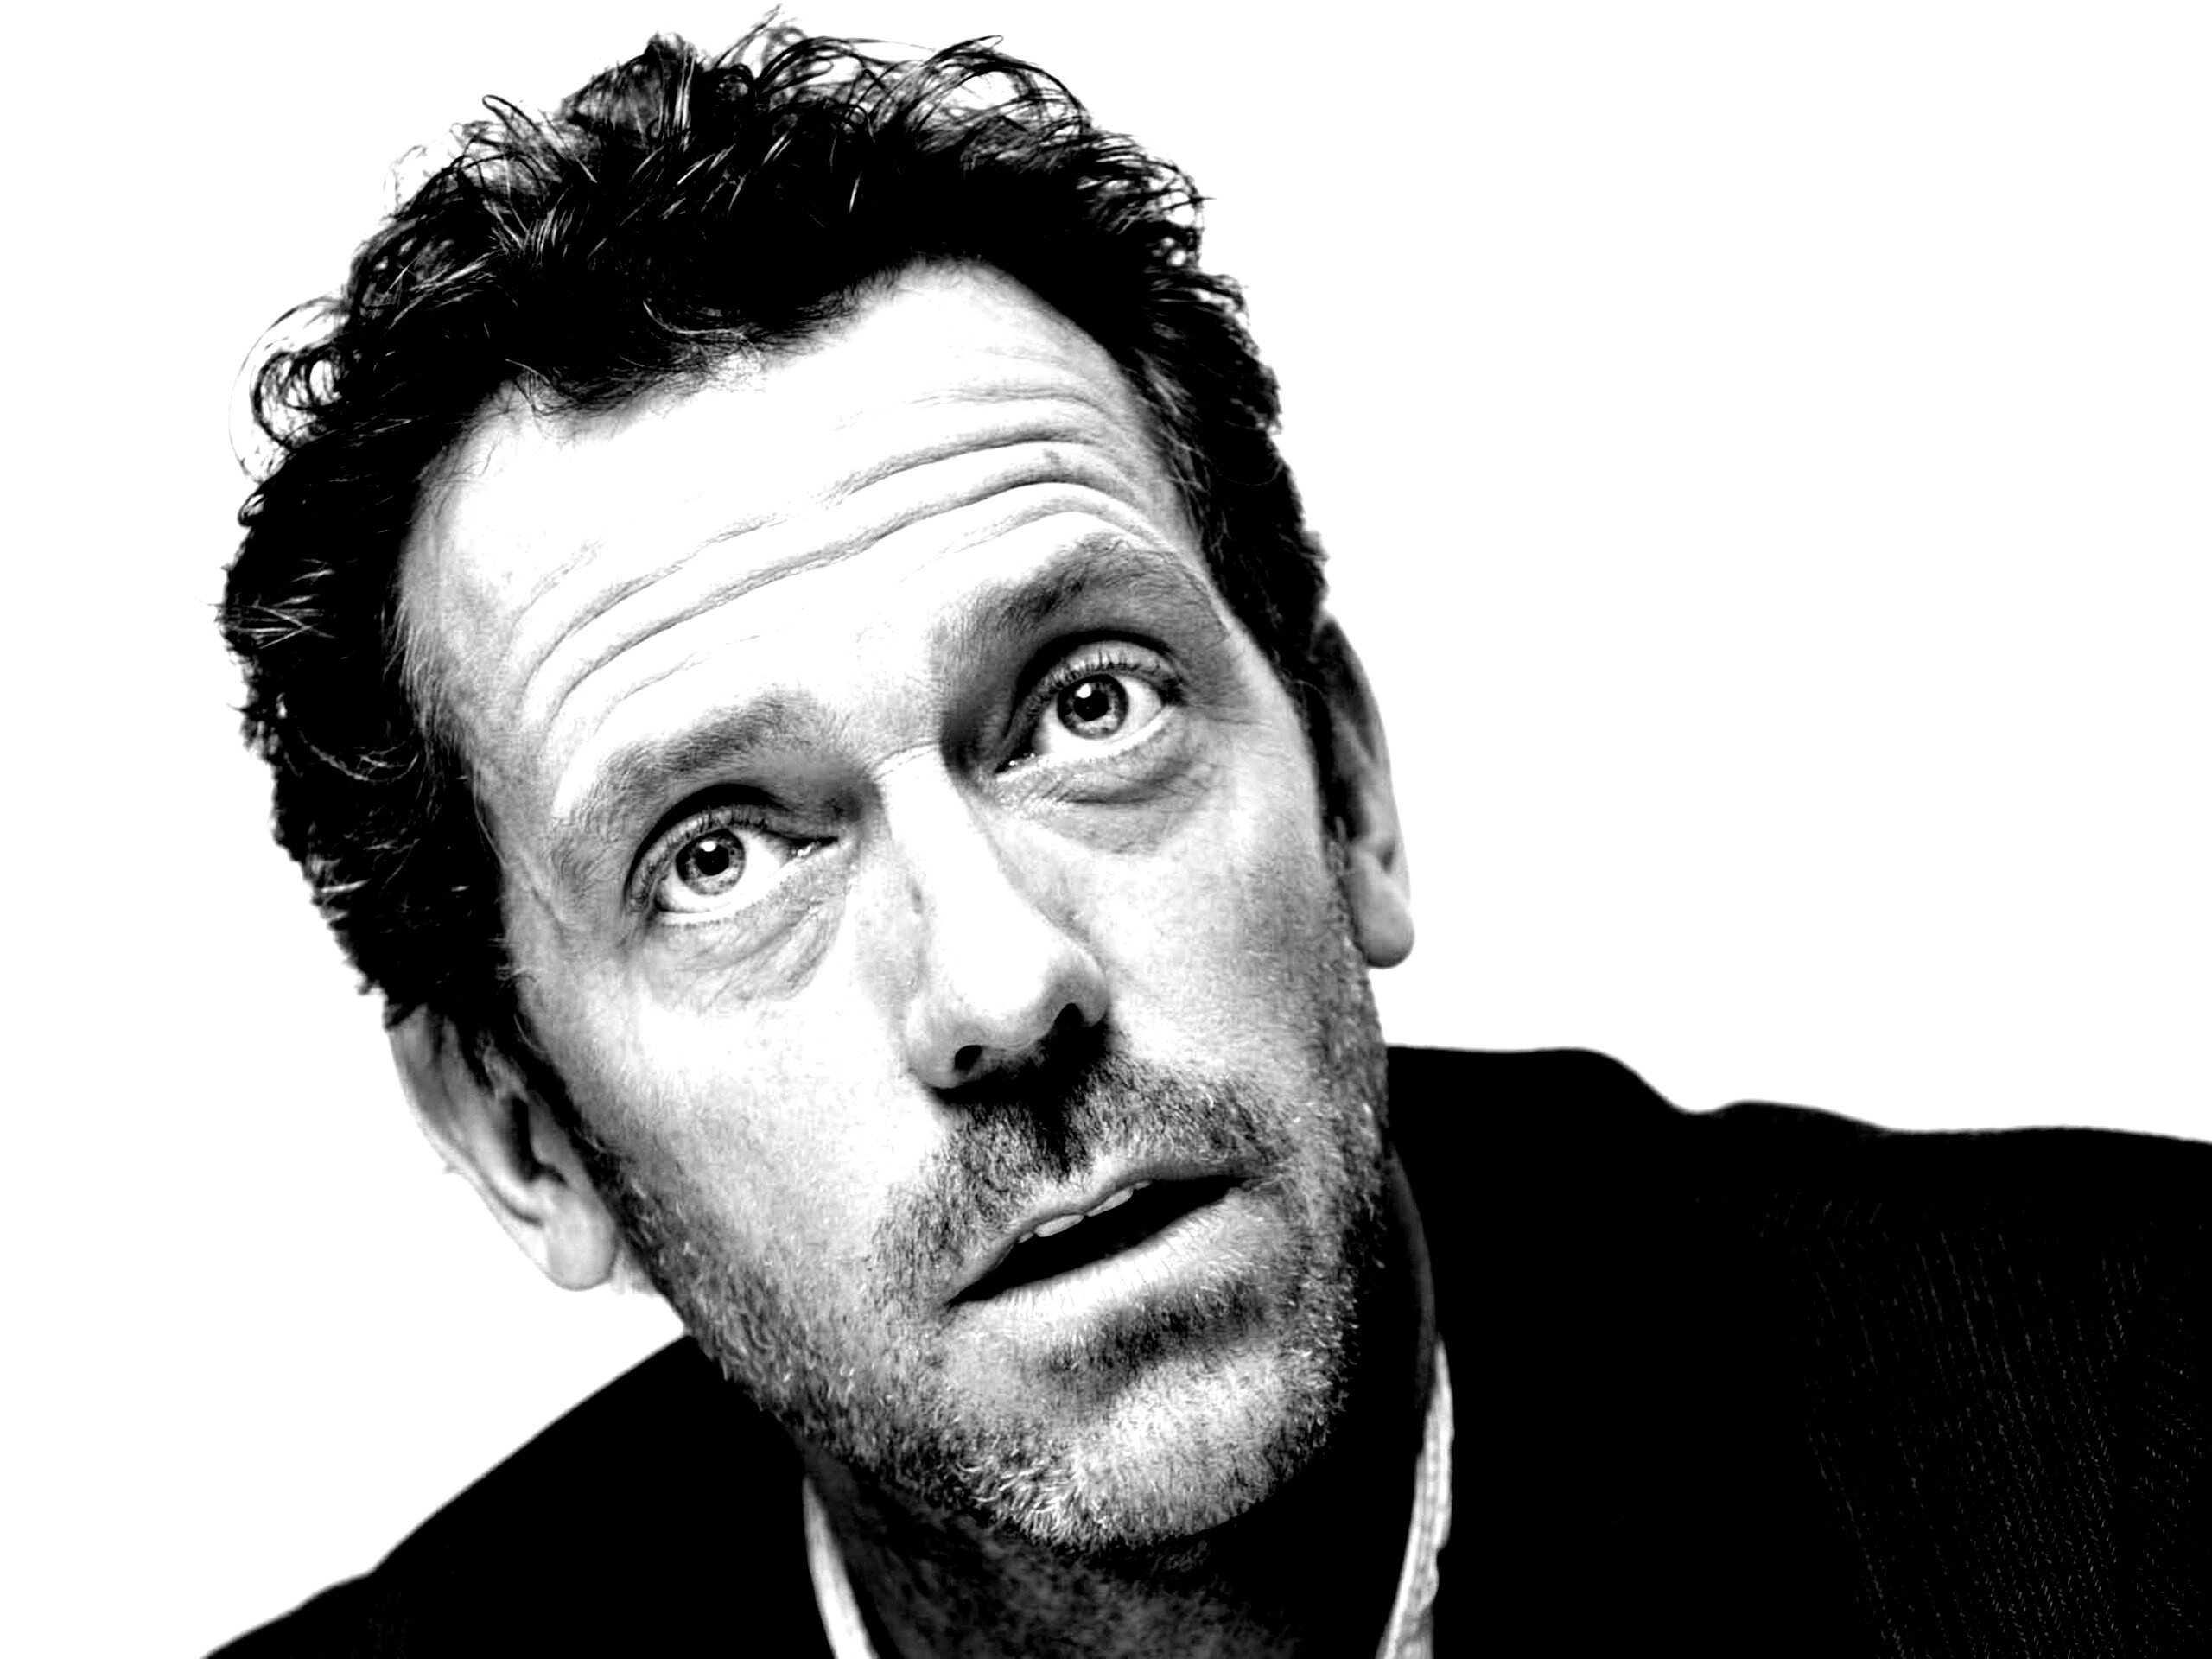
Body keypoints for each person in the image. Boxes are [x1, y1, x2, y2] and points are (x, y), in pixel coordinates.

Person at [213, 22, 2204, 1656]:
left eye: (1089, 707)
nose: (1003, 985)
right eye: (718, 855)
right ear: (525, 1135)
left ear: (1347, 788)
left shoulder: (2138, 1462)